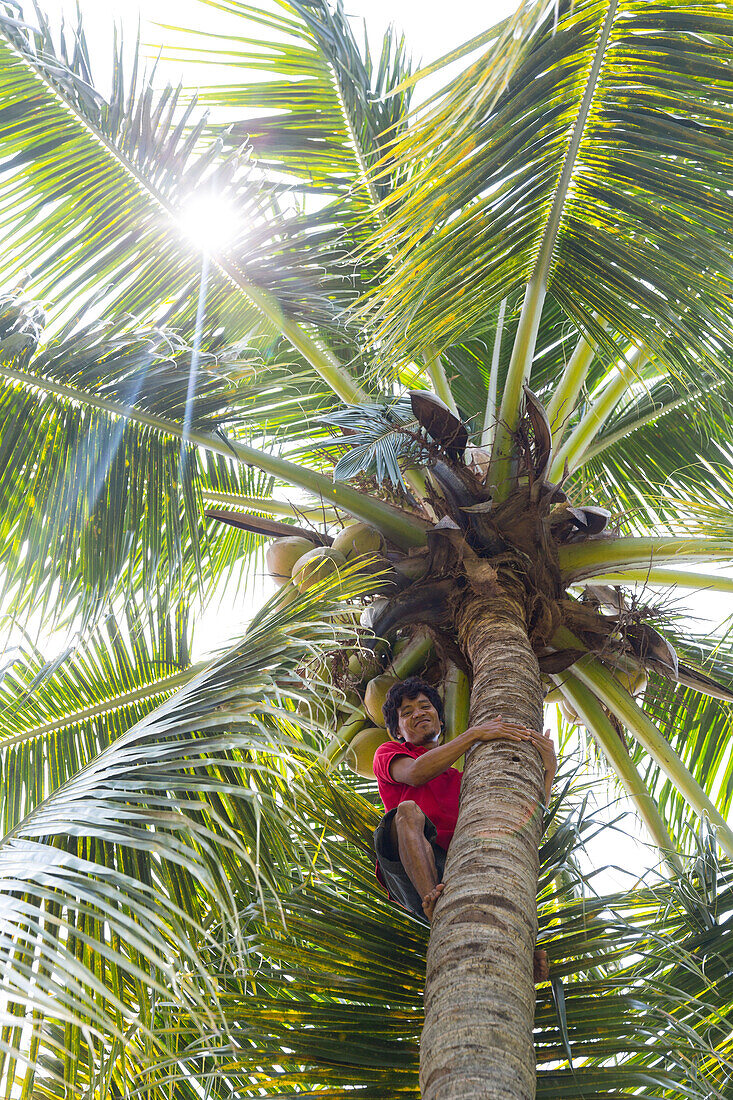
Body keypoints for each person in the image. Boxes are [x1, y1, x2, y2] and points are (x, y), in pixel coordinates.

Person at [372, 675, 556, 980]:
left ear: (440, 721)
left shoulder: (464, 780)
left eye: (424, 706)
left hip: (457, 864)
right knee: (406, 812)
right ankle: (432, 903)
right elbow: (417, 773)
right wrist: (473, 735)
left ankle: (515, 948)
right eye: (407, 713)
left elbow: (523, 820)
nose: (418, 713)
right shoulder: (389, 754)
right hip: (411, 864)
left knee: (502, 860)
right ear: (398, 731)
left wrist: (549, 768)